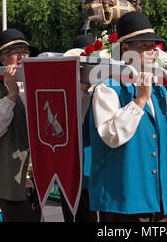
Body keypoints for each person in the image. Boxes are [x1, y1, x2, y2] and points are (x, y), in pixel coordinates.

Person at [86, 12, 167, 222]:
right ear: (125, 49)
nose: (151, 51)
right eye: (143, 46)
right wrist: (140, 100)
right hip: (124, 201)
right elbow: (112, 136)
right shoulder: (107, 89)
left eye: (152, 46)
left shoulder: (161, 91)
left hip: (160, 199)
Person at [0, 28, 41, 222]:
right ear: (3, 59)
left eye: (25, 51)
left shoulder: (32, 85)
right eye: (16, 52)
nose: (23, 56)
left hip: (31, 175)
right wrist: (11, 95)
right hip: (5, 178)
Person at [60, 34, 99, 223]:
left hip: (97, 169)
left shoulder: (102, 88)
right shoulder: (66, 89)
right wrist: (83, 87)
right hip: (74, 169)